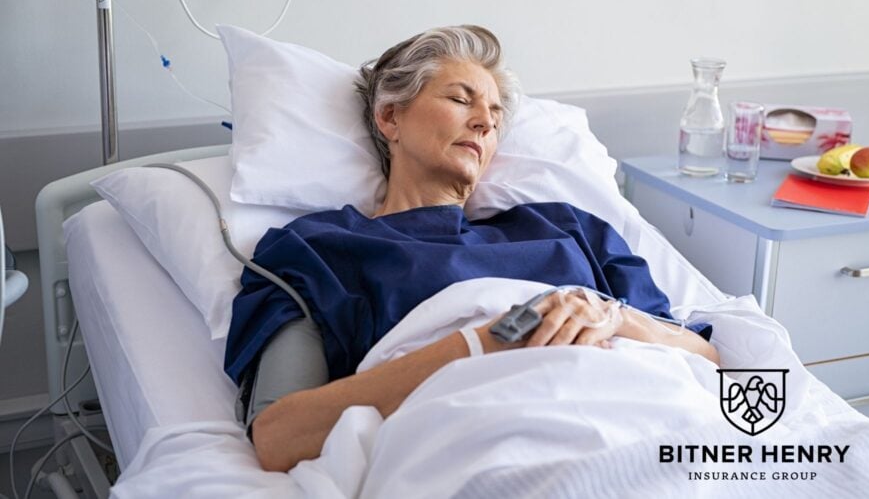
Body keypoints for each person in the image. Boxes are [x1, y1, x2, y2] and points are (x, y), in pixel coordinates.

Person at [224, 25, 720, 473]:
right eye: (462, 100)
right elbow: (278, 435)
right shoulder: (320, 249)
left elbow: (704, 357)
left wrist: (614, 317)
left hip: (645, 423)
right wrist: (484, 342)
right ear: (390, 118)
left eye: (496, 114)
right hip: (484, 443)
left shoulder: (567, 229)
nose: (485, 123)